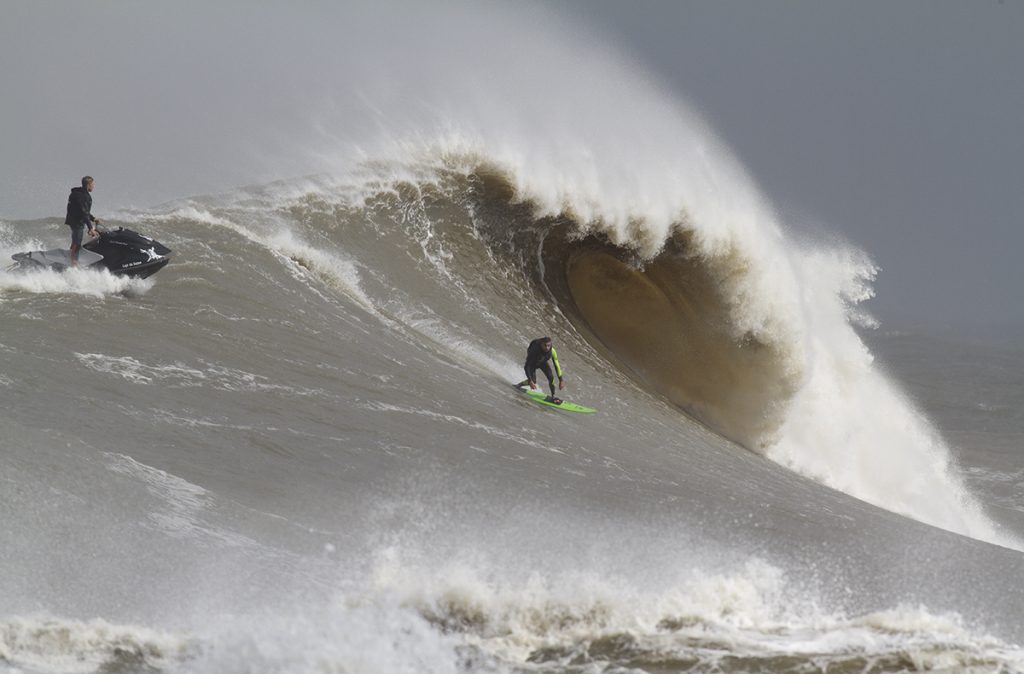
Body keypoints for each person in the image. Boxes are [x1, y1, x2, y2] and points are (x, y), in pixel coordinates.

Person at [64, 176, 102, 266]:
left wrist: (93, 218)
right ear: (88, 185)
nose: (93, 186)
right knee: (77, 243)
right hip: (77, 222)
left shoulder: (77, 193)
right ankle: (73, 263)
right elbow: (83, 212)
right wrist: (90, 228)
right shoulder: (83, 196)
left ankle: (71, 257)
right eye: (92, 184)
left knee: (75, 242)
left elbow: (84, 211)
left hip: (74, 220)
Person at [517, 336, 565, 404]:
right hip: (532, 362)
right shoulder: (534, 350)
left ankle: (553, 396)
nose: (547, 348)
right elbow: (527, 366)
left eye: (548, 345)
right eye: (545, 345)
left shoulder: (552, 351)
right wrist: (530, 381)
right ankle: (519, 385)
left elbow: (556, 365)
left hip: (542, 362)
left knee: (551, 377)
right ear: (541, 344)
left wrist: (561, 380)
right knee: (533, 381)